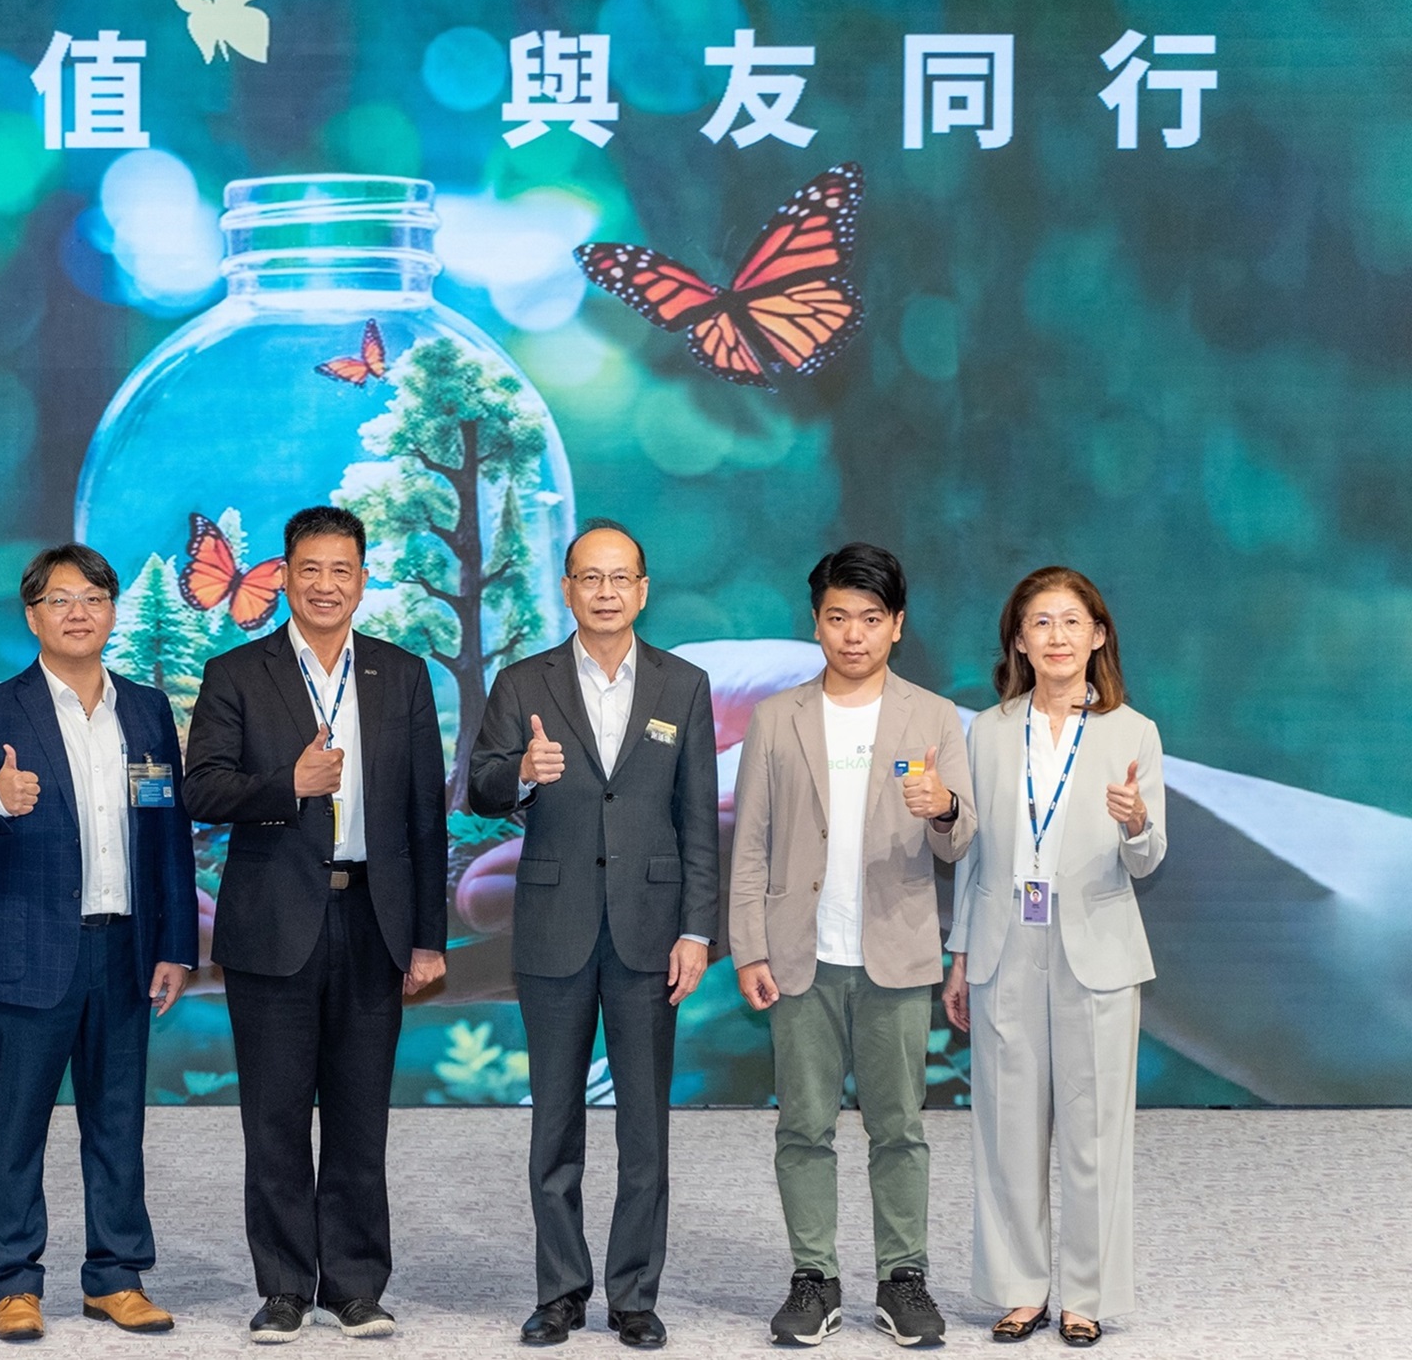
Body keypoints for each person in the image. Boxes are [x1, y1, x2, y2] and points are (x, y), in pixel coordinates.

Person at [0, 544, 200, 1343]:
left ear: (113, 611)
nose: (79, 612)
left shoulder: (146, 709)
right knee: (15, 1127)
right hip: (27, 952)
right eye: (60, 599)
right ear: (32, 615)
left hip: (124, 949)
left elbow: (169, 833)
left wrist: (177, 943)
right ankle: (14, 1280)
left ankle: (117, 1276)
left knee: (118, 1124)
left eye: (94, 597)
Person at [183, 505, 448, 1343]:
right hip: (273, 921)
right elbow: (201, 788)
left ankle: (356, 1284)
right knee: (275, 1114)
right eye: (310, 568)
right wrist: (286, 783)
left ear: (363, 580)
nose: (325, 584)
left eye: (342, 570)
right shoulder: (236, 672)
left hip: (375, 916)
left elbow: (426, 815)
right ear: (285, 576)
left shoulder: (401, 674)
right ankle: (284, 1286)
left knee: (361, 1115)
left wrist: (429, 935)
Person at [467, 520, 720, 1350]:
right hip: (554, 926)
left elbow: (698, 819)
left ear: (642, 590)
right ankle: (560, 1291)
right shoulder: (522, 680)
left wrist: (697, 929)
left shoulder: (684, 685)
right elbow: (479, 786)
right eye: (589, 577)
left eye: (620, 578)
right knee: (555, 1122)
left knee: (644, 1126)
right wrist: (520, 773)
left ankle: (635, 1294)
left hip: (651, 931)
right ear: (567, 588)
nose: (605, 592)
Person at [726, 544, 973, 1348]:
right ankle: (814, 1277)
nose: (853, 634)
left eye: (870, 618)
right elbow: (751, 841)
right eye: (838, 618)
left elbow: (959, 840)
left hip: (895, 953)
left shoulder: (934, 716)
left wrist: (944, 807)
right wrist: (749, 946)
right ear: (816, 623)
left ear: (896, 625)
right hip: (800, 953)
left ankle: (903, 1277)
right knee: (804, 1125)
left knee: (899, 1126)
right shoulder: (778, 716)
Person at [944, 566, 1166, 1349]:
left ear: (1098, 635)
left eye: (1073, 621)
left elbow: (1148, 858)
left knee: (1093, 1130)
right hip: (1005, 940)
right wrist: (959, 952)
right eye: (1041, 621)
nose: (1057, 636)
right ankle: (1019, 1288)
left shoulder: (1132, 731)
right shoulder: (988, 729)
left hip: (1096, 946)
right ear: (1019, 639)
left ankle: (1087, 1295)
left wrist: (1136, 823)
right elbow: (972, 853)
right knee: (1008, 1126)